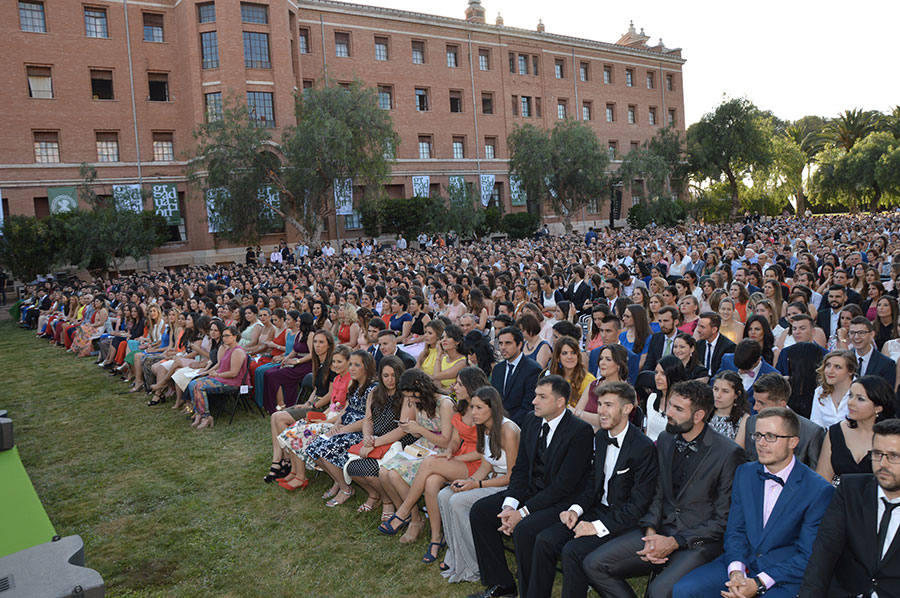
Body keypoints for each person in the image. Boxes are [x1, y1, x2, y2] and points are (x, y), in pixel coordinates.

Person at [580, 380, 745, 598]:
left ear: (698, 416)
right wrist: (650, 532)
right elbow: (658, 493)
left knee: (658, 591)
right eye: (670, 406)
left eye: (677, 409)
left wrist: (674, 542)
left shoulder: (728, 453)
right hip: (660, 530)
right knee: (593, 564)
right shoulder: (666, 439)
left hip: (697, 542)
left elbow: (723, 520)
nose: (668, 413)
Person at [673, 407, 835, 598]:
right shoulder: (745, 473)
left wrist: (759, 583)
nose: (761, 443)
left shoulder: (818, 490)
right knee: (684, 590)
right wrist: (736, 571)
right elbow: (735, 530)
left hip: (783, 576)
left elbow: (808, 555)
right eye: (757, 435)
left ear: (793, 442)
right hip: (743, 562)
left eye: (771, 436)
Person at [466, 376, 593, 598]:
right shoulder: (531, 420)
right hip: (532, 492)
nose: (534, 401)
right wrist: (509, 506)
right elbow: (521, 470)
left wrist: (522, 513)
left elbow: (564, 486)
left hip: (562, 502)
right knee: (481, 511)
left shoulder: (579, 431)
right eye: (535, 395)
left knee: (525, 529)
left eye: (542, 397)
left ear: (560, 402)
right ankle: (502, 584)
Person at [529, 382, 659, 598]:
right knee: (545, 540)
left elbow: (638, 506)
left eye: (608, 405)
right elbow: (592, 483)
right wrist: (576, 510)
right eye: (599, 404)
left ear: (627, 409)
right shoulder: (600, 436)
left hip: (625, 520)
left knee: (573, 551)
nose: (600, 411)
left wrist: (596, 527)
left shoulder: (643, 448)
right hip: (598, 509)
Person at [380, 367, 488, 562]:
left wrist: (452, 455)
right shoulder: (463, 407)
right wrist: (449, 452)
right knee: (430, 482)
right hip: (457, 456)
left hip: (478, 464)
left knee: (429, 463)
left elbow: (485, 451)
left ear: (471, 387)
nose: (454, 386)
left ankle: (403, 512)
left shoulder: (481, 410)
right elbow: (454, 441)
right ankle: (435, 537)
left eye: (459, 384)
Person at [799, 418, 900, 597]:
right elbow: (824, 553)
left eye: (893, 456)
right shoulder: (850, 490)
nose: (882, 464)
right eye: (877, 454)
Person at [439, 385, 521, 583]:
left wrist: (476, 486)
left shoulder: (508, 430)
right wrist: (468, 481)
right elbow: (485, 465)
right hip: (493, 479)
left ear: (492, 408)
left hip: (509, 486)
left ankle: (474, 563)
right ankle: (458, 555)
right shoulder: (484, 428)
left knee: (458, 502)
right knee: (444, 495)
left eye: (478, 408)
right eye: (472, 407)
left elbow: (514, 476)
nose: (473, 412)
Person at [378, 369, 454, 542]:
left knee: (395, 476)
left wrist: (418, 429)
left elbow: (446, 441)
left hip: (441, 450)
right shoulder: (419, 403)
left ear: (421, 388)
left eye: (412, 396)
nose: (410, 401)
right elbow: (422, 433)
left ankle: (413, 520)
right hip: (423, 446)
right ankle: (413, 517)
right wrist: (411, 428)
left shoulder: (444, 404)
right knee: (384, 472)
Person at [304, 350, 378, 507]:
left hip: (359, 431)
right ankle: (338, 480)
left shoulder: (373, 388)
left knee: (326, 449)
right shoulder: (355, 384)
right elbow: (347, 408)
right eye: (350, 364)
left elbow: (368, 419)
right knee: (313, 447)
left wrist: (344, 429)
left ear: (367, 367)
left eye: (357, 365)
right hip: (345, 426)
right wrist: (337, 423)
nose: (351, 368)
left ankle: (346, 489)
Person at [272, 344, 351, 489]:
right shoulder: (338, 379)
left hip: (339, 421)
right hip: (330, 416)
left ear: (348, 362)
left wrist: (325, 420)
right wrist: (321, 417)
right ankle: (295, 471)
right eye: (334, 361)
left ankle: (301, 477)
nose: (335, 365)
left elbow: (345, 410)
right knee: (296, 426)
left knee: (297, 433)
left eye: (340, 362)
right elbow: (332, 405)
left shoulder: (351, 381)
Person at [736, 373, 825, 469]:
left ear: (781, 405)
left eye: (761, 403)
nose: (755, 407)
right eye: (755, 401)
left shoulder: (811, 432)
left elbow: (815, 475)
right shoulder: (751, 423)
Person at [816, 375, 895, 484]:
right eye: (850, 395)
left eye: (860, 399)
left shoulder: (893, 438)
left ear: (878, 408)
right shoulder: (835, 432)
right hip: (838, 498)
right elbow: (822, 479)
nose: (850, 403)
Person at [188, 325, 248, 430]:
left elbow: (234, 373)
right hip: (222, 378)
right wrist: (213, 372)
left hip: (232, 382)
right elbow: (221, 365)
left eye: (227, 336)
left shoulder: (237, 351)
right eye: (223, 336)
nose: (224, 338)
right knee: (192, 383)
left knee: (199, 385)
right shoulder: (228, 349)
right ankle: (199, 413)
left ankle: (206, 417)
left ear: (234, 337)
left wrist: (217, 374)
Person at [260, 313, 314, 413]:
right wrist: (286, 358)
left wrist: (297, 361)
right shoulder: (299, 333)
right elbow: (294, 351)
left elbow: (312, 354)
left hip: (305, 365)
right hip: (295, 361)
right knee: (268, 373)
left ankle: (282, 406)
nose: (297, 323)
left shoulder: (310, 335)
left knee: (274, 376)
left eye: (298, 321)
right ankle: (273, 404)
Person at [490, 326, 542, 426]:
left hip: (520, 428)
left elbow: (529, 406)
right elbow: (494, 399)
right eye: (501, 343)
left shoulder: (533, 369)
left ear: (519, 345)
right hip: (497, 425)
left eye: (508, 343)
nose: (503, 347)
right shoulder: (498, 369)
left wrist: (507, 425)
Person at [717, 339, 779, 408]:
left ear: (758, 359)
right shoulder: (727, 360)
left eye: (745, 369)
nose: (740, 371)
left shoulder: (772, 376)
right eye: (739, 367)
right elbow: (714, 382)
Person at [810, 350, 857, 429]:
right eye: (828, 365)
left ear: (850, 371)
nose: (830, 371)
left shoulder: (862, 391)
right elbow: (816, 425)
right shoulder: (820, 391)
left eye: (837, 367)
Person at [848, 315, 897, 388]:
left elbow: (887, 395)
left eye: (861, 333)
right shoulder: (845, 359)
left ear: (871, 335)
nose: (856, 337)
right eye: (852, 333)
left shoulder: (886, 364)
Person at [708, 370, 750, 441]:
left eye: (725, 391)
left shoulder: (743, 419)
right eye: (716, 389)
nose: (718, 395)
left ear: (737, 395)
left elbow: (738, 450)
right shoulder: (704, 412)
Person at [693, 312, 735, 378]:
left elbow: (726, 373)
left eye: (702, 327)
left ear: (714, 330)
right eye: (698, 325)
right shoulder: (699, 344)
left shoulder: (729, 347)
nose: (698, 330)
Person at [431, 324, 467, 389]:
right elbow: (436, 381)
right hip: (442, 393)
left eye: (448, 337)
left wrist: (439, 354)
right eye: (442, 337)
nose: (444, 340)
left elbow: (436, 376)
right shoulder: (443, 358)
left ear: (457, 341)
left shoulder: (462, 362)